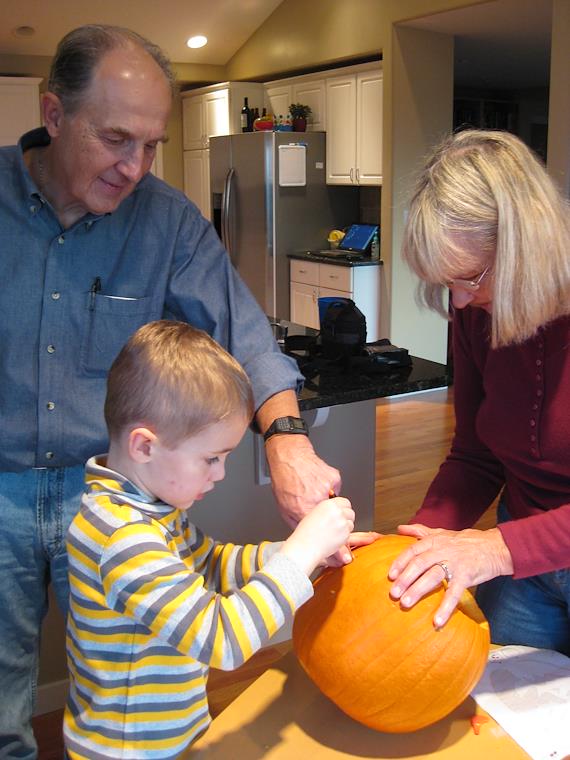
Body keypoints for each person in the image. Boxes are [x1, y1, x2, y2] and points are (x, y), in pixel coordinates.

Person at [0, 24, 343, 757]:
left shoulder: (166, 220)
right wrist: (297, 558)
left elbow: (245, 333)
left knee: (111, 669)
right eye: (116, 139)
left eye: (152, 145)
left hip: (102, 481)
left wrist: (287, 446)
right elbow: (222, 638)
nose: (135, 167)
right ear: (54, 114)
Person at [64, 320, 377, 758]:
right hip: (130, 750)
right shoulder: (123, 538)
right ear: (144, 446)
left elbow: (210, 564)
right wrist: (302, 549)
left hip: (172, 733)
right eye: (211, 458)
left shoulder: (148, 510)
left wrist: (304, 556)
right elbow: (223, 641)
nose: (220, 474)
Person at [387, 129, 570, 654]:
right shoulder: (474, 313)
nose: (461, 302)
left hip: (513, 547)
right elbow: (476, 455)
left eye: (472, 277)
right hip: (522, 551)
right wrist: (415, 546)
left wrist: (496, 549)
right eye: (448, 283)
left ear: (527, 245)